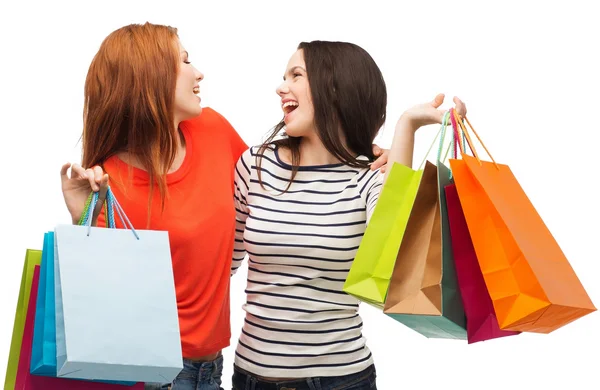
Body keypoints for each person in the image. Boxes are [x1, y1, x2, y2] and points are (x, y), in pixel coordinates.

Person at [59, 24, 390, 390]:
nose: (198, 72)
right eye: (184, 60)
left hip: (215, 370)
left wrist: (371, 157)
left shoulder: (213, 131)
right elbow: (99, 295)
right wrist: (81, 219)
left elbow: (279, 198)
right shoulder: (110, 182)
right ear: (149, 79)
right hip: (153, 373)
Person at [230, 40, 466, 390]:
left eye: (296, 75)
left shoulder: (367, 176)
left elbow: (390, 248)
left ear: (335, 89)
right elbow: (224, 263)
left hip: (340, 379)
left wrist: (408, 125)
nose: (281, 88)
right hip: (251, 377)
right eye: (284, 77)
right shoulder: (256, 165)